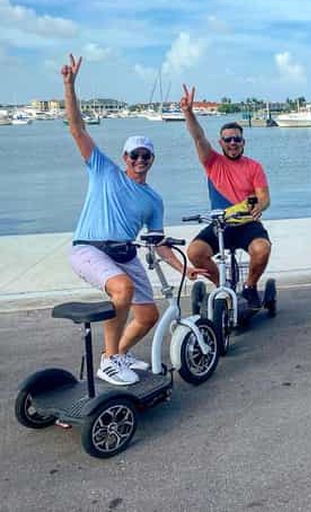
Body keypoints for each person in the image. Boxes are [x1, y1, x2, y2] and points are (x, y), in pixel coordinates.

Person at [63, 55, 206, 386]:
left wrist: (185, 269)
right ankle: (110, 360)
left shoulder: (153, 199)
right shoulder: (104, 171)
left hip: (125, 253)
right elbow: (76, 128)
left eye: (145, 155)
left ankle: (119, 353)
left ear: (151, 159)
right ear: (124, 158)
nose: (139, 160)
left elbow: (158, 242)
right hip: (89, 249)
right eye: (133, 155)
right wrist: (69, 85)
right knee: (122, 289)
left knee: (148, 315)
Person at [180, 85, 272, 310]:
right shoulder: (212, 162)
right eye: (228, 140)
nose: (233, 143)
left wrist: (259, 206)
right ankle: (223, 285)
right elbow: (198, 138)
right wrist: (189, 113)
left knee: (262, 249)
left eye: (237, 140)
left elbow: (264, 197)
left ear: (243, 142)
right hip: (219, 225)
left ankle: (250, 288)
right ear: (221, 143)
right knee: (195, 252)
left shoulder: (254, 166)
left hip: (246, 223)